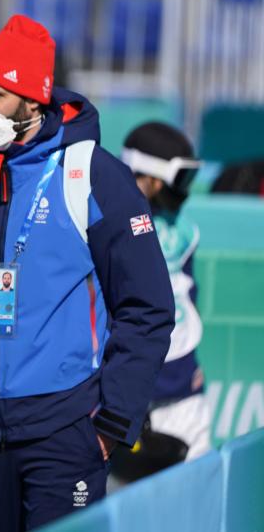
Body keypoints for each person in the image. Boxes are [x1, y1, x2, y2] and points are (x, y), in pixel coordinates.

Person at [0, 15, 174, 531]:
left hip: (67, 429)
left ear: (32, 101)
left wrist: (113, 420)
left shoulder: (92, 175)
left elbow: (147, 308)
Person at [121, 122, 210, 460]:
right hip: (123, 403)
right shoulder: (103, 225)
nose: (184, 192)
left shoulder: (186, 233)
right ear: (153, 179)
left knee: (197, 502)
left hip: (184, 395)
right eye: (180, 179)